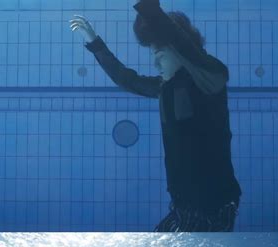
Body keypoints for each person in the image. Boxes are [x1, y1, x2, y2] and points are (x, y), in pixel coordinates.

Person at [70, 1, 242, 232]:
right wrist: (94, 42)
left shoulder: (210, 79)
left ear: (178, 50)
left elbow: (181, 41)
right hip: (184, 205)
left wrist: (148, 7)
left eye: (159, 53)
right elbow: (126, 79)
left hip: (214, 204)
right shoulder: (166, 88)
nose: (155, 62)